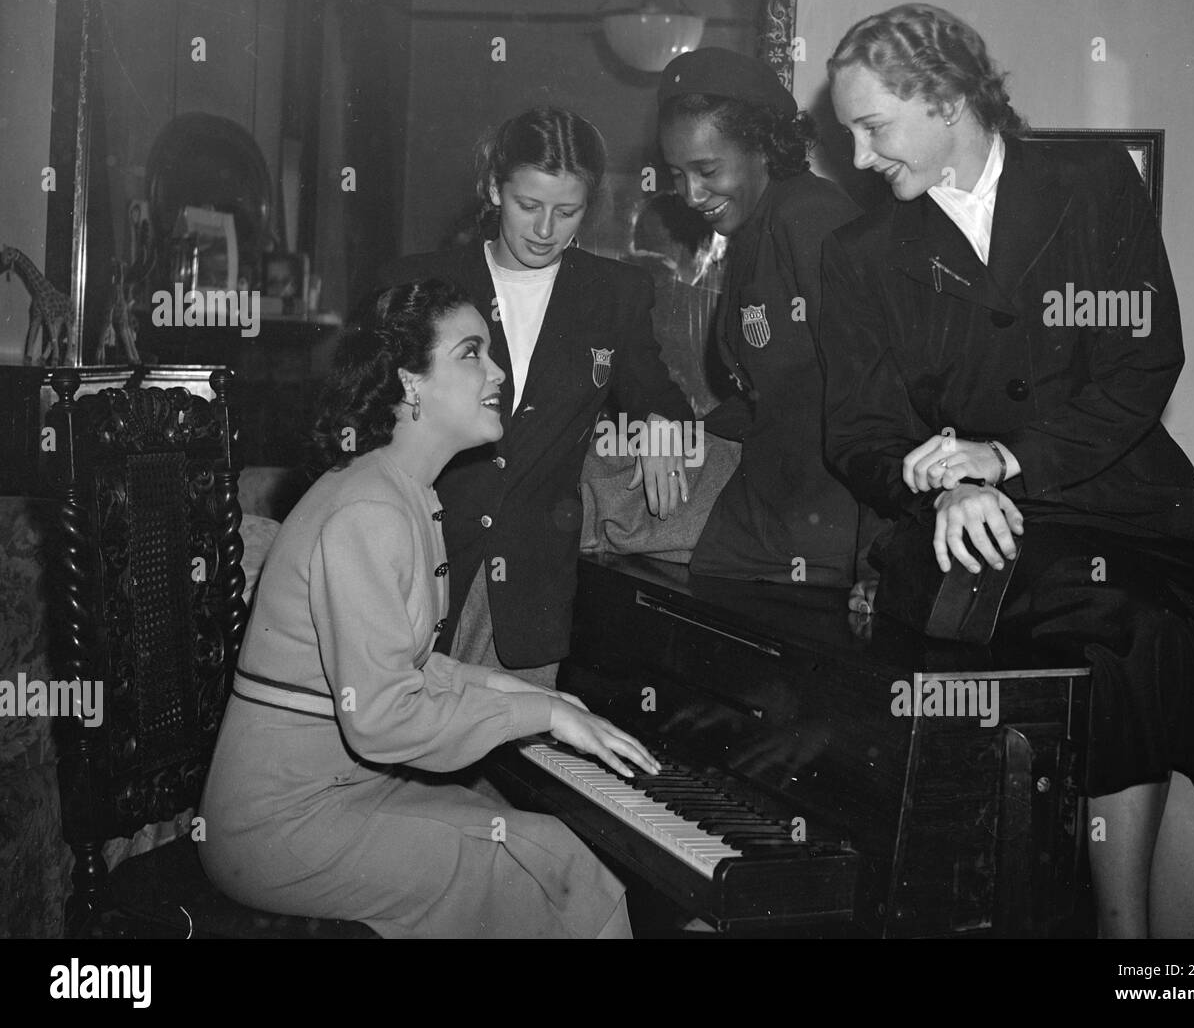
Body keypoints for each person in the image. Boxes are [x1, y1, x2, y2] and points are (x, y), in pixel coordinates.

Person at [819, 3, 1194, 937]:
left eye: (872, 127)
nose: (858, 158)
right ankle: (1123, 940)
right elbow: (857, 436)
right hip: (967, 540)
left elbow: (1147, 360)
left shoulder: (1094, 184)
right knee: (1135, 637)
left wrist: (1012, 456)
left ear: (943, 99)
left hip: (1130, 514)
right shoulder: (857, 256)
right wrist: (945, 478)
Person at [198, 280, 660, 938]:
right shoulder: (369, 508)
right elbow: (382, 719)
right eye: (472, 353)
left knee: (557, 857)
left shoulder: (405, 492)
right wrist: (539, 710)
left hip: (337, 797)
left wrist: (529, 699)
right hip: (280, 829)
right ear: (410, 383)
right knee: (551, 871)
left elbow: (408, 667)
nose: (498, 372)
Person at [379, 108, 695, 688]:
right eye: (529, 206)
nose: (545, 230)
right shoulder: (423, 283)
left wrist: (660, 421)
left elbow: (657, 393)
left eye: (567, 211)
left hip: (529, 592)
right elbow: (366, 418)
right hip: (418, 561)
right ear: (494, 188)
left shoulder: (616, 294)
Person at [657, 47, 883, 589]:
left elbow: (882, 390)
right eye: (676, 174)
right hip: (773, 513)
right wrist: (676, 431)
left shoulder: (812, 220)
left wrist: (878, 562)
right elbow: (777, 394)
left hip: (825, 533)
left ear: (761, 146)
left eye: (707, 170)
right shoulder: (756, 225)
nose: (690, 194)